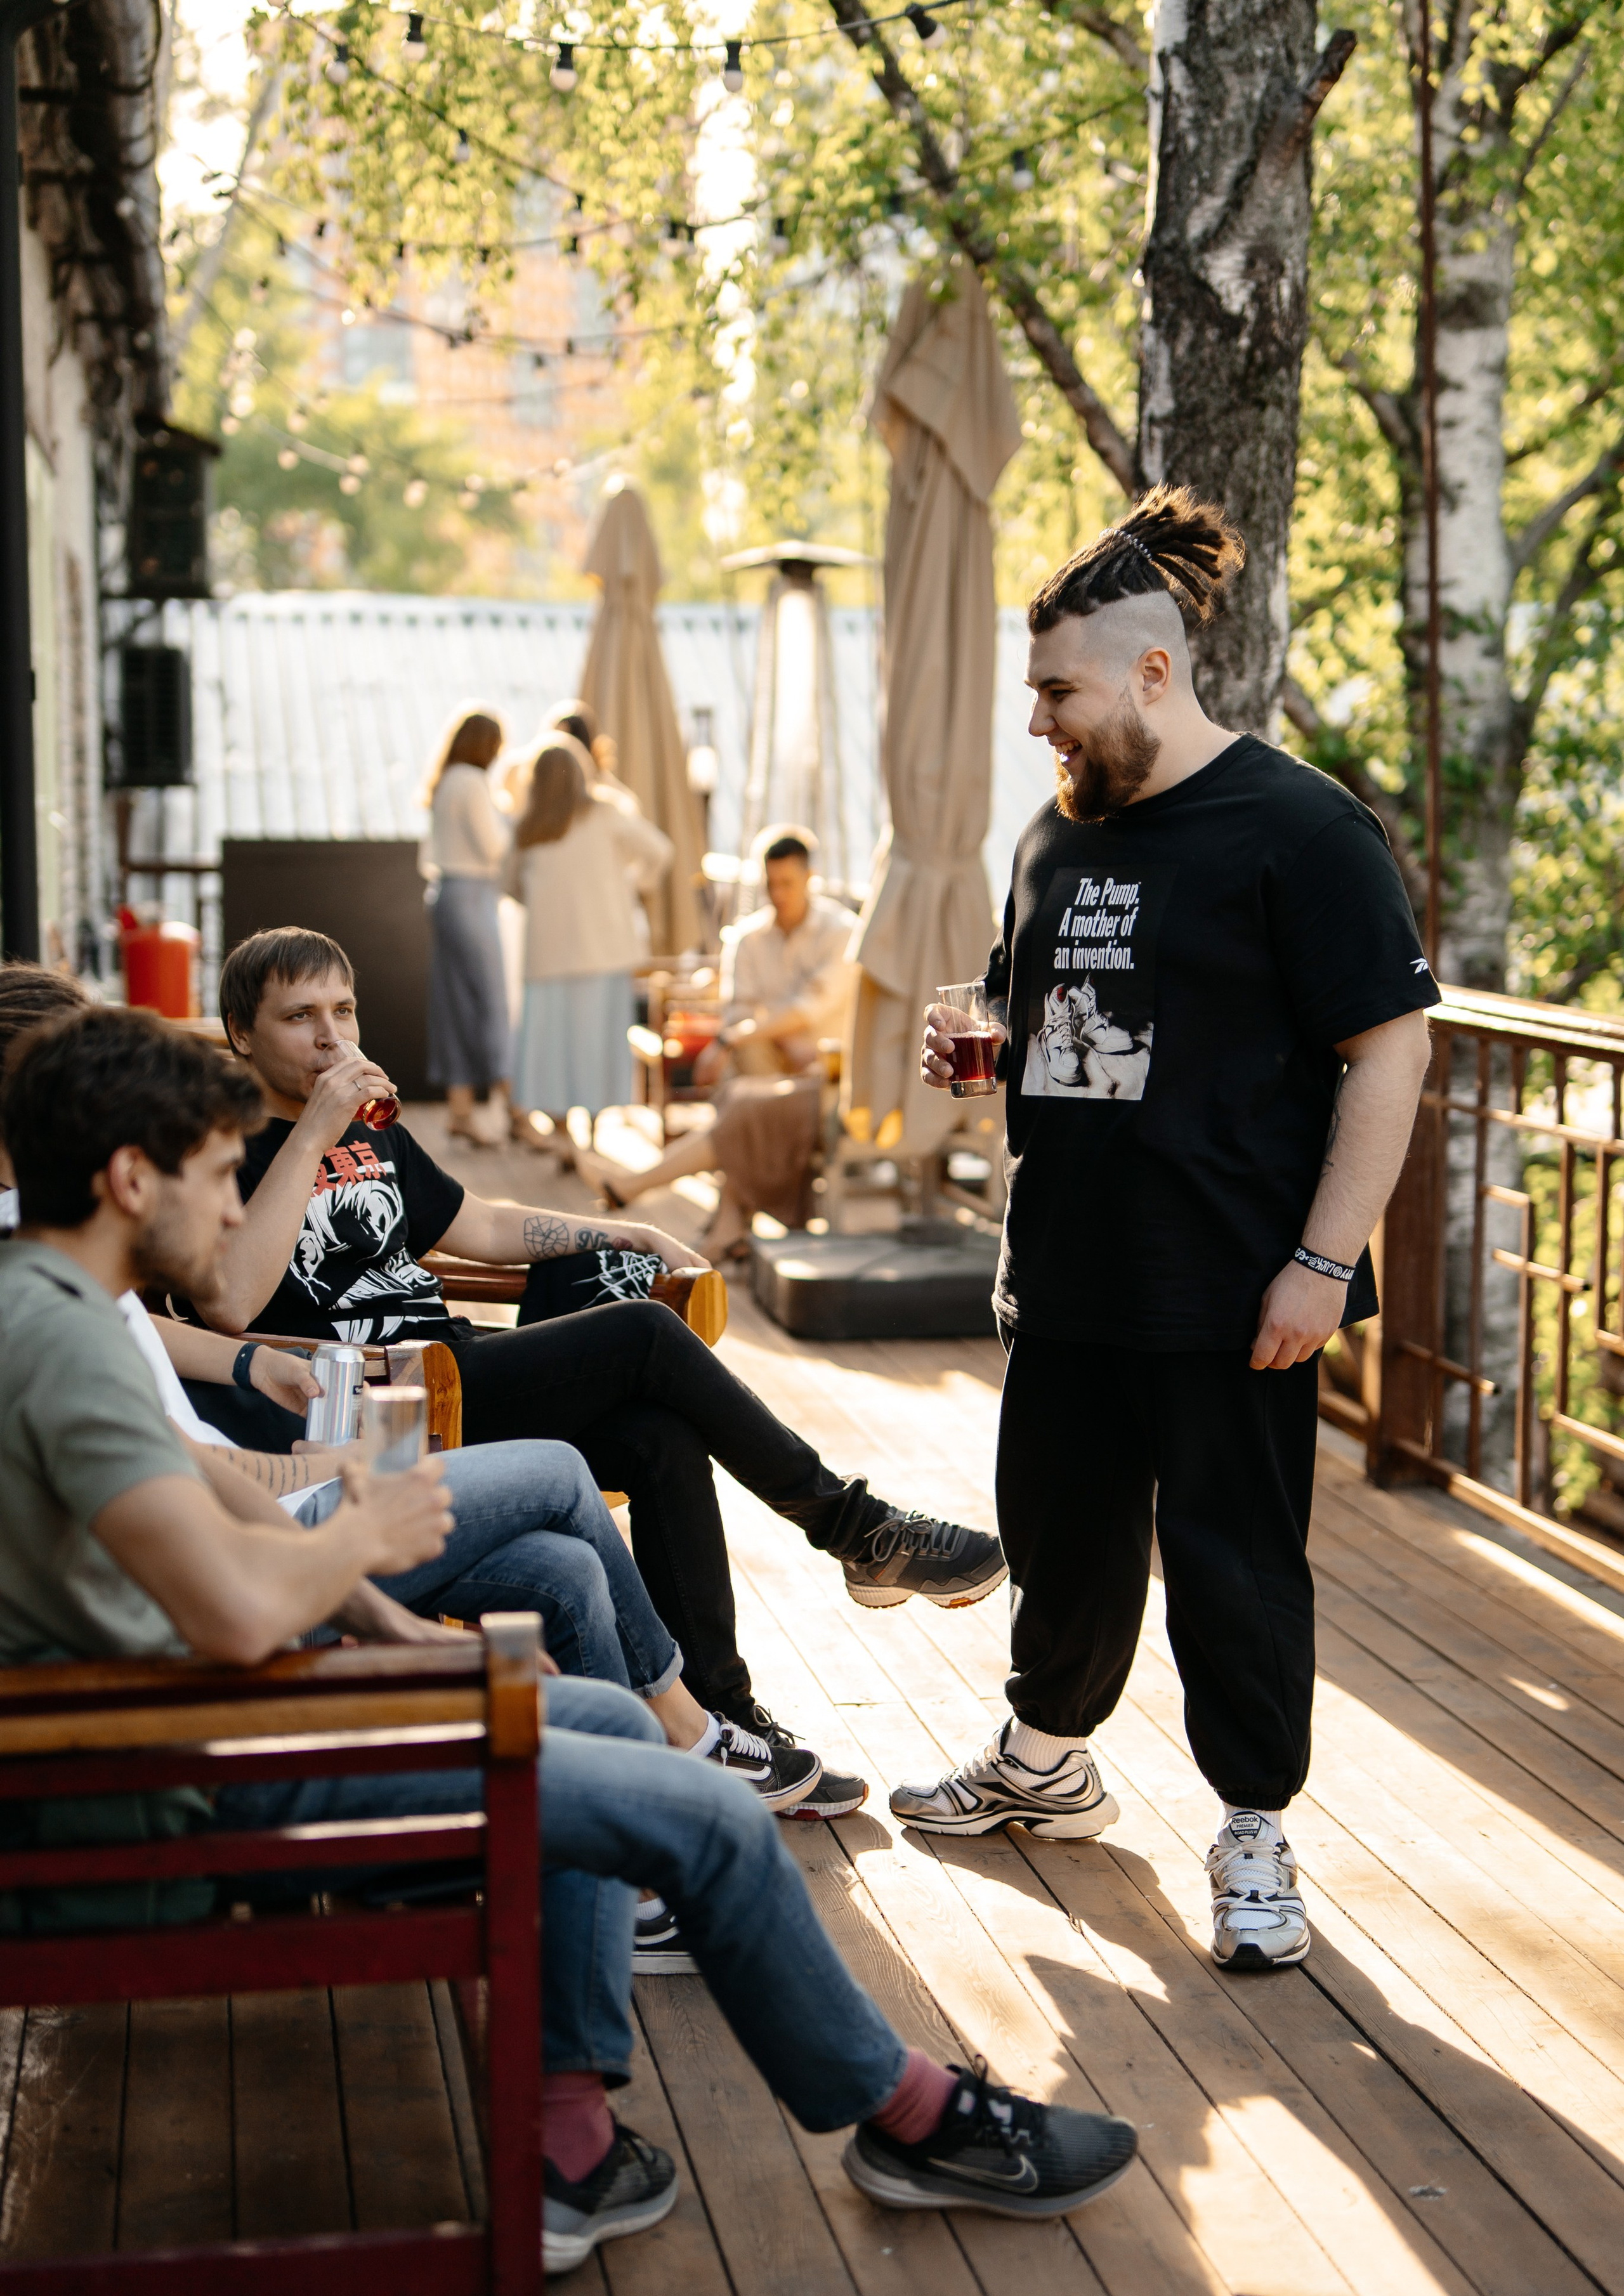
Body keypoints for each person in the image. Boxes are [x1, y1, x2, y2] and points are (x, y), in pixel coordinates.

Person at [0, 1003, 1139, 2266]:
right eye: (222, 1179)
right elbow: (230, 1606)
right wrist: (361, 1535)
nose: (230, 1217)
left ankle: (571, 2140)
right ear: (126, 1178)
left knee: (597, 1704)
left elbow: (215, 1517)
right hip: (183, 1775)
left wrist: (401, 1632)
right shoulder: (56, 1344)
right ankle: (911, 2115)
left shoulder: (59, 1309)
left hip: (213, 1715)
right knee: (698, 1812)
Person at [900, 488, 1437, 1974]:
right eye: (1032, 694)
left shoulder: (1300, 828)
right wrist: (987, 1038)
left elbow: (1388, 1051)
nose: (1038, 725)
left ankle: (1252, 1823)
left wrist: (1322, 1262)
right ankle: (1043, 1761)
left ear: (1148, 673)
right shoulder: (1047, 839)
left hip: (1231, 1289)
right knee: (1061, 1545)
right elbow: (1048, 1014)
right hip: (1065, 1268)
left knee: (1232, 1567)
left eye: (1056, 692)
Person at [186, 926, 1007, 1823]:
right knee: (644, 1339)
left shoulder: (372, 1135)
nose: (330, 1037)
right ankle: (857, 1529)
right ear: (239, 1033)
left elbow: (483, 1227)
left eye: (342, 1010)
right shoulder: (225, 1150)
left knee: (660, 1436)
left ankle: (720, 1716)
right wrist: (310, 1131)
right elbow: (230, 1303)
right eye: (299, 1017)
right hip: (376, 1405)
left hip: (457, 1374)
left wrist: (620, 1231)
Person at [577, 826, 858, 1262]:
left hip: (824, 1082)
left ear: (810, 879)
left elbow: (807, 1010)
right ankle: (722, 1225)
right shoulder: (747, 939)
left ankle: (644, 1190)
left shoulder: (843, 933)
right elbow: (742, 1013)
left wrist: (743, 1034)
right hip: (767, 1074)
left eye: (788, 883)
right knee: (748, 1083)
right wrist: (759, 1035)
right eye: (771, 884)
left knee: (743, 1093)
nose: (778, 894)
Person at [504, 734, 672, 1156]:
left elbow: (507, 884)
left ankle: (562, 1133)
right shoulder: (608, 814)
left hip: (548, 956)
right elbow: (661, 851)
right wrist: (630, 885)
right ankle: (595, 1133)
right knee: (596, 1044)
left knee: (554, 1048)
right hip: (603, 952)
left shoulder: (527, 827)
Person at [421, 705, 515, 1148]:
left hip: (444, 894)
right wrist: (516, 822)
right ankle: (516, 1109)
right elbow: (495, 847)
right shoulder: (474, 783)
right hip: (473, 896)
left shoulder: (445, 781)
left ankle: (461, 1111)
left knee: (454, 1004)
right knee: (492, 1001)